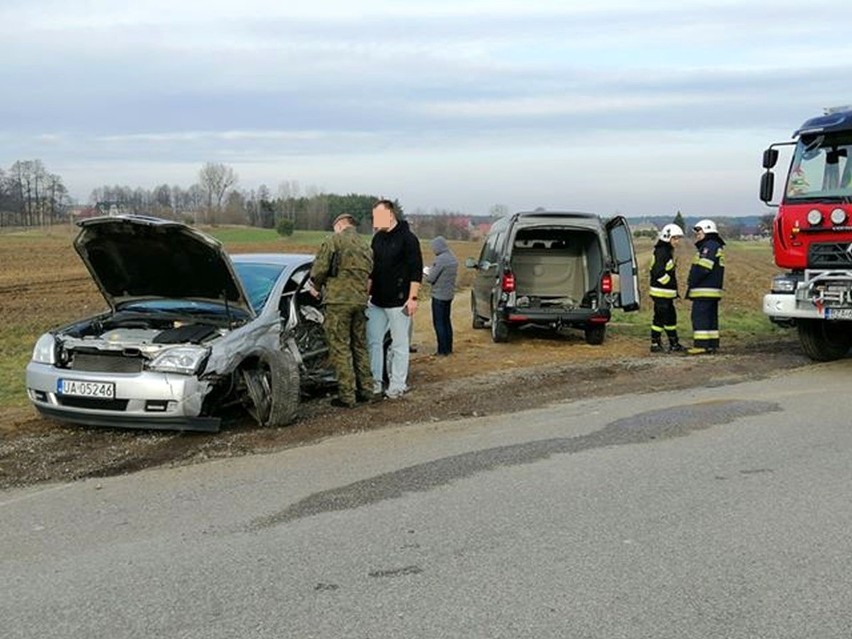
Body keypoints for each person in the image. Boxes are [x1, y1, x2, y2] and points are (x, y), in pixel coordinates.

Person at [308, 213, 375, 408]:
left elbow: (319, 269)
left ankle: (347, 396)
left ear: (339, 225)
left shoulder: (334, 241)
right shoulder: (365, 246)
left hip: (338, 302)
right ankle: (367, 391)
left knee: (340, 347)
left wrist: (316, 287)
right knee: (360, 346)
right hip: (360, 301)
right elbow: (370, 273)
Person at [366, 199, 423, 399]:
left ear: (390, 215)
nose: (375, 221)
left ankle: (397, 385)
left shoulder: (408, 239)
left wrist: (412, 297)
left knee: (399, 344)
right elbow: (371, 272)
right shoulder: (377, 239)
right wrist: (366, 295)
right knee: (373, 342)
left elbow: (416, 271)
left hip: (399, 302)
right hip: (377, 302)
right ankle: (375, 384)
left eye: (378, 216)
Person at [686, 218, 725, 355]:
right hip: (712, 290)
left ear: (707, 230)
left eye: (699, 232)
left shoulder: (709, 246)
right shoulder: (714, 245)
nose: (697, 235)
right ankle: (712, 344)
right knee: (710, 318)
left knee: (699, 317)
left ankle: (701, 345)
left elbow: (703, 268)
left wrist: (692, 280)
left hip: (704, 290)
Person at [648, 223, 685, 353]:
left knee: (671, 318)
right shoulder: (662, 252)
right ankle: (655, 343)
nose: (677, 241)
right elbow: (658, 272)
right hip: (661, 294)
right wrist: (669, 283)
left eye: (678, 238)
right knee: (660, 318)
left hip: (666, 294)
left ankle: (673, 343)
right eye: (675, 238)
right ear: (667, 237)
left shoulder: (666, 250)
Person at [424, 235, 458, 355]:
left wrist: (426, 272)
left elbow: (431, 278)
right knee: (446, 321)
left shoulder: (441, 260)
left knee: (439, 323)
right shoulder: (452, 257)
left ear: (438, 247)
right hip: (449, 295)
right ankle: (449, 348)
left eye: (434, 248)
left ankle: (441, 350)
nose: (433, 250)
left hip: (438, 295)